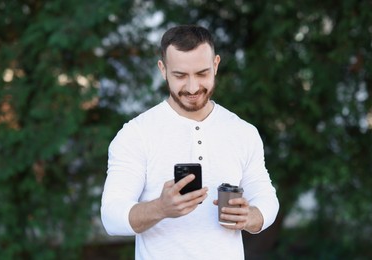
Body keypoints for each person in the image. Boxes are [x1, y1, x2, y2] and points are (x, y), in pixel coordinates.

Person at [101, 24, 279, 260]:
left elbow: (266, 198)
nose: (193, 87)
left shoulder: (242, 132)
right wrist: (160, 208)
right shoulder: (136, 134)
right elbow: (111, 216)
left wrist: (250, 217)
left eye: (202, 73)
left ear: (216, 65)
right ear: (163, 69)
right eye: (180, 76)